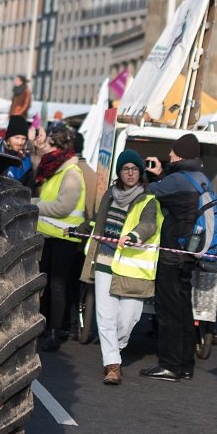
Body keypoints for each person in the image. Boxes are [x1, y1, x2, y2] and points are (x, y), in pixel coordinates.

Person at [82, 148, 160, 385]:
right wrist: (82, 227)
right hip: (105, 262)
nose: (130, 173)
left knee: (127, 319)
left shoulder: (148, 199)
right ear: (119, 172)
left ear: (140, 172)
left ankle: (115, 347)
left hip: (131, 268)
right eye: (125, 169)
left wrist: (135, 235)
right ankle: (112, 365)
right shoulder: (110, 194)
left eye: (134, 169)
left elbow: (149, 224)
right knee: (105, 317)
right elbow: (99, 221)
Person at [141, 133, 213, 381]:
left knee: (168, 310)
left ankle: (169, 365)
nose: (169, 155)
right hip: (190, 252)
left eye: (172, 152)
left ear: (180, 154)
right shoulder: (200, 178)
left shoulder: (179, 179)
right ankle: (185, 366)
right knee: (184, 310)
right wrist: (163, 174)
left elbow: (147, 191)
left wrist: (147, 173)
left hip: (173, 252)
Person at [33, 123, 85, 352]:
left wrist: (34, 206)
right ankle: (43, 327)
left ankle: (55, 331)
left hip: (65, 237)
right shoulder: (54, 168)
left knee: (57, 286)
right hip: (48, 235)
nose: (45, 149)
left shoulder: (71, 173)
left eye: (48, 145)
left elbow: (63, 206)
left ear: (57, 148)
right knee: (45, 284)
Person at [7, 74, 31, 139]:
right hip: (13, 115)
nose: (15, 81)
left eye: (17, 80)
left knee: (17, 133)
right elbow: (13, 104)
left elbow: (27, 104)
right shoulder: (15, 90)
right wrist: (10, 114)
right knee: (11, 133)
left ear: (21, 82)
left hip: (20, 116)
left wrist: (19, 113)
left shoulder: (26, 90)